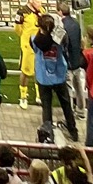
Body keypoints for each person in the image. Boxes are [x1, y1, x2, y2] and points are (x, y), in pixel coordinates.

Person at [31, 11, 77, 141]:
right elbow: (66, 47)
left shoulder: (34, 39)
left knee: (46, 107)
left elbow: (35, 48)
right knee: (66, 105)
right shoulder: (61, 38)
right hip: (59, 75)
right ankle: (73, 131)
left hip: (43, 77)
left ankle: (48, 135)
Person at [59, 0, 86, 125]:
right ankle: (81, 111)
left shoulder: (62, 26)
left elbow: (60, 44)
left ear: (60, 12)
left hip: (67, 63)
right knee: (79, 87)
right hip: (76, 61)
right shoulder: (76, 23)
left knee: (68, 90)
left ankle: (68, 116)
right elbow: (80, 42)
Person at [18, 0, 42, 108]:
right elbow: (18, 29)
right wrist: (25, 39)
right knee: (26, 72)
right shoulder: (22, 12)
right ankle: (23, 96)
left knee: (39, 70)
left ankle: (39, 95)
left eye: (40, 2)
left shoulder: (42, 10)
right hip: (27, 47)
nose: (39, 4)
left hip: (39, 46)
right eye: (37, 2)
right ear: (31, 0)